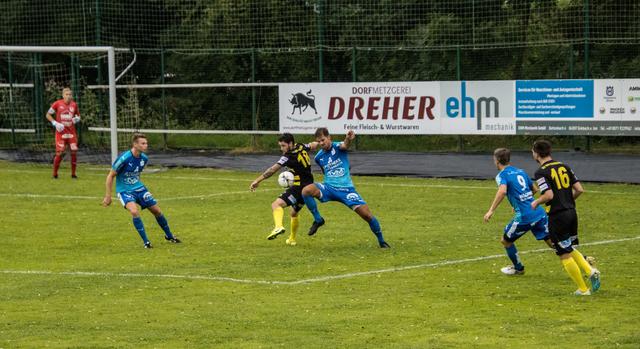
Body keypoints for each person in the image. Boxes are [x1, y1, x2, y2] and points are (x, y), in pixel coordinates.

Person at [531, 139, 600, 295]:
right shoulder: (564, 166)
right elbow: (579, 189)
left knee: (563, 253)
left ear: (536, 153)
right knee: (568, 246)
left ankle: (583, 289)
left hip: (558, 216)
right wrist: (567, 201)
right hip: (571, 212)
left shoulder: (541, 172)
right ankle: (590, 271)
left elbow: (548, 195)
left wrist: (536, 202)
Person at [301, 128, 390, 248]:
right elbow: (325, 171)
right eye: (319, 141)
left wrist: (348, 138)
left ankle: (381, 241)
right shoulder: (318, 157)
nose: (321, 143)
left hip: (347, 190)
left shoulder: (338, 146)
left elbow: (345, 145)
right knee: (306, 191)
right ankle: (318, 219)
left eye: (323, 140)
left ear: (329, 138)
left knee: (367, 216)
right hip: (329, 187)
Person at [102, 133, 181, 248]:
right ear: (135, 144)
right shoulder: (124, 158)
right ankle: (146, 242)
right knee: (134, 211)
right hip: (124, 191)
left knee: (157, 211)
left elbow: (136, 174)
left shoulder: (144, 158)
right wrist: (108, 196)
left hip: (139, 189)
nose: (146, 146)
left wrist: (141, 188)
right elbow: (110, 176)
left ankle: (170, 236)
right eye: (143, 143)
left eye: (146, 143)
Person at [483, 148, 550, 275]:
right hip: (538, 212)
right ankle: (583, 259)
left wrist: (491, 210)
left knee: (506, 240)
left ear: (496, 160)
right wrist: (522, 200)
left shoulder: (501, 175)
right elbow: (535, 189)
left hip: (524, 216)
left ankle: (518, 268)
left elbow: (502, 191)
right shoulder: (521, 171)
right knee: (551, 242)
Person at [250, 133, 315, 246]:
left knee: (276, 205)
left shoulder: (288, 156)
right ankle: (292, 239)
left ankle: (278, 227)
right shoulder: (301, 146)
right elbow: (313, 145)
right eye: (280, 146)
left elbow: (272, 170)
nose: (282, 149)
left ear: (290, 143)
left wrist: (257, 180)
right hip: (309, 187)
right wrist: (320, 143)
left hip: (299, 188)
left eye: (283, 145)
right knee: (293, 213)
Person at [46, 87, 81, 179]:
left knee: (74, 152)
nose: (69, 96)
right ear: (63, 95)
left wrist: (77, 119)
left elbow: (78, 115)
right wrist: (55, 123)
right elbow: (48, 115)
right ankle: (55, 174)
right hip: (60, 133)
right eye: (67, 94)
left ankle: (73, 174)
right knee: (60, 152)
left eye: (70, 95)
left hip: (71, 133)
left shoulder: (74, 105)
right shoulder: (57, 104)